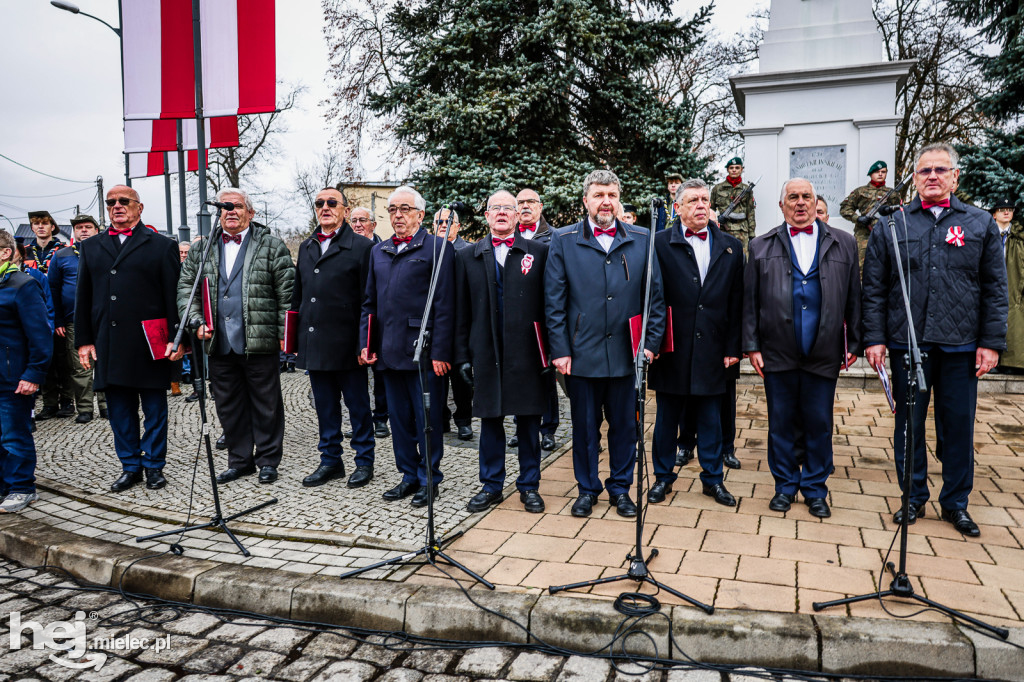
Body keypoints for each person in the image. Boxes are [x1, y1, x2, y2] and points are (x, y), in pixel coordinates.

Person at [862, 143, 1008, 537]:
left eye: (940, 170)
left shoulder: (980, 224)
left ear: (954, 177)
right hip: (907, 343)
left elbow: (995, 287)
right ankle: (912, 498)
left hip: (961, 345)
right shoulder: (894, 224)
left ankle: (955, 503)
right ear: (913, 178)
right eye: (924, 171)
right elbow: (874, 287)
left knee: (958, 426)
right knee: (908, 425)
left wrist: (991, 342)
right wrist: (873, 338)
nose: (932, 177)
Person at [546, 169, 665, 518]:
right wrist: (561, 349)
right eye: (598, 195)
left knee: (626, 427)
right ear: (586, 200)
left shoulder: (643, 238)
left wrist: (650, 344)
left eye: (611, 194)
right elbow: (554, 301)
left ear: (619, 199)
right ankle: (587, 489)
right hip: (581, 355)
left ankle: (620, 488)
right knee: (584, 429)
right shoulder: (564, 240)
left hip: (629, 354)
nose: (606, 201)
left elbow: (654, 298)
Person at [744, 178, 860, 519]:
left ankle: (814, 488)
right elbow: (749, 301)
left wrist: (854, 341)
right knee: (781, 421)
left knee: (819, 422)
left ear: (815, 202)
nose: (800, 203)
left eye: (806, 196)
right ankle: (784, 486)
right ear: (782, 206)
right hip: (777, 349)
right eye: (792, 197)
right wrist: (751, 345)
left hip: (823, 349)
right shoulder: (760, 245)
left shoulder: (845, 243)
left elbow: (854, 296)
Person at [179, 188, 295, 485]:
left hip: (259, 339)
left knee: (266, 404)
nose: (230, 211)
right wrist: (195, 321)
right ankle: (240, 460)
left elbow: (287, 296)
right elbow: (186, 289)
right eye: (224, 207)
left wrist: (285, 338)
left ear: (250, 213)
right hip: (218, 341)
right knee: (228, 405)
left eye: (237, 206)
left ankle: (268, 460)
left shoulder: (272, 246)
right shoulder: (201, 248)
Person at [76, 186, 184, 492]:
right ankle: (130, 466)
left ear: (139, 207)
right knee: (119, 410)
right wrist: (84, 339)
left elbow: (173, 296)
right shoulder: (92, 246)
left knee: (154, 410)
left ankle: (153, 465)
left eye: (124, 201)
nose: (117, 206)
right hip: (108, 340)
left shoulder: (161, 246)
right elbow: (82, 297)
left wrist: (177, 339)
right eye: (111, 202)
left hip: (150, 341)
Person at [649, 179, 744, 507]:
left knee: (711, 419)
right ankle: (662, 478)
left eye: (705, 199)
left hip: (714, 349)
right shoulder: (659, 244)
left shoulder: (731, 246)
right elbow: (651, 299)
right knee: (666, 418)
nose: (702, 205)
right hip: (671, 348)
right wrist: (652, 343)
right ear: (677, 208)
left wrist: (734, 347)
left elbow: (736, 301)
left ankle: (713, 479)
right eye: (693, 201)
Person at [455, 190, 549, 514]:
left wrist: (548, 352)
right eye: (495, 208)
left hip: (527, 354)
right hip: (485, 352)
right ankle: (492, 485)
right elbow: (460, 312)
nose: (502, 213)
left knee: (528, 424)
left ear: (517, 215)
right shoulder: (467, 256)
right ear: (486, 215)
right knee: (491, 423)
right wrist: (462, 357)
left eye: (508, 208)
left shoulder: (537, 252)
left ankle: (529, 486)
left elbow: (550, 306)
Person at [361, 186, 455, 508]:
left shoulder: (438, 248)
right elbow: (369, 303)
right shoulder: (379, 251)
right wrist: (366, 342)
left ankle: (430, 478)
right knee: (399, 421)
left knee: (425, 420)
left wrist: (442, 351)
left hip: (423, 353)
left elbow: (445, 304)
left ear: (420, 214)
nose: (397, 215)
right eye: (392, 210)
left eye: (404, 209)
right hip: (388, 351)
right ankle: (408, 475)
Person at [292, 187, 376, 489]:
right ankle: (330, 461)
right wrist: (293, 339)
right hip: (315, 342)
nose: (324, 208)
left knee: (358, 407)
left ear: (344, 208)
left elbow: (369, 300)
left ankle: (364, 461)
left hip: (348, 345)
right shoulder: (307, 246)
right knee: (324, 407)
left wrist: (364, 343)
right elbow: (297, 296)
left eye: (331, 203)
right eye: (319, 203)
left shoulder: (360, 247)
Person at [0, 230, 53, 513]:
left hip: (13, 375)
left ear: (5, 252)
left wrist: (33, 373)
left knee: (13, 434)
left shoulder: (23, 285)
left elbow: (41, 335)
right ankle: (3, 487)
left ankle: (22, 487)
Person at [47, 214, 106, 424]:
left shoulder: (105, 251)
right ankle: (84, 408)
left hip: (102, 318)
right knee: (80, 366)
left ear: (96, 230)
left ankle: (106, 405)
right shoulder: (61, 255)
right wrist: (59, 320)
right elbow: (53, 289)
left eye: (88, 227)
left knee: (104, 361)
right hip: (74, 320)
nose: (83, 230)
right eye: (79, 227)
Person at [512, 188, 559, 451]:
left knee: (545, 376)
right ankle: (522, 427)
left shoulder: (555, 237)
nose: (526, 206)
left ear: (540, 207)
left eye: (531, 201)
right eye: (521, 202)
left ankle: (548, 429)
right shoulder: (509, 236)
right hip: (517, 316)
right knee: (519, 373)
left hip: (543, 316)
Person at [348, 206, 389, 436]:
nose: (357, 224)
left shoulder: (381, 249)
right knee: (355, 375)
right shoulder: (347, 247)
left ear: (373, 224)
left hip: (377, 318)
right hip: (353, 319)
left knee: (379, 372)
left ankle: (381, 417)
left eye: (362, 220)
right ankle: (360, 420)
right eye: (353, 220)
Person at [840, 160, 901, 268]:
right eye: (877, 172)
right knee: (861, 266)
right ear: (871, 174)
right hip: (864, 235)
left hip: (885, 233)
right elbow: (845, 208)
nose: (880, 174)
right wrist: (858, 218)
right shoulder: (860, 191)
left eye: (883, 171)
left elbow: (899, 213)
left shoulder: (892, 193)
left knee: (886, 264)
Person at [992, 198, 1023, 374]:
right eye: (1002, 209)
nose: (1006, 212)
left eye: (1009, 209)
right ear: (994, 214)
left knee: (1012, 320)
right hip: (992, 280)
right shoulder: (988, 233)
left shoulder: (1018, 236)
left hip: (1010, 282)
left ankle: (1010, 363)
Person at [711, 157, 757, 251]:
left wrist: (752, 235)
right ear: (728, 169)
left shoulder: (747, 190)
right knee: (724, 260)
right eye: (731, 168)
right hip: (723, 231)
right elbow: (710, 210)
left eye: (737, 167)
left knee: (743, 260)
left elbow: (750, 212)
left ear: (741, 169)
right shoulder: (717, 188)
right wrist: (716, 221)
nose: (734, 170)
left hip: (742, 232)